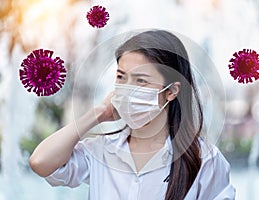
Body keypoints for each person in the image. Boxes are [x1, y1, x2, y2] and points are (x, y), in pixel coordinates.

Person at [29, 30, 236, 200]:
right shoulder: (102, 151)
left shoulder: (205, 160)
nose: (127, 88)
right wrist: (99, 113)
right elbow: (41, 162)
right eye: (121, 77)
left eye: (141, 81)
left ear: (171, 91)